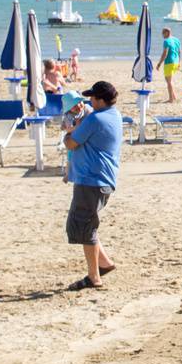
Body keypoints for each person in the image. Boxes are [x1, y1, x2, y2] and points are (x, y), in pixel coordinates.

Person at [61, 81, 122, 290]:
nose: (90, 101)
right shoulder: (115, 115)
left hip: (91, 180)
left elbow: (71, 143)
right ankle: (104, 263)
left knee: (85, 227)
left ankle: (94, 277)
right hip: (102, 178)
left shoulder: (95, 119)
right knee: (85, 224)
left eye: (93, 98)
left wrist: (68, 133)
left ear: (101, 99)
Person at [159, 28, 182, 102]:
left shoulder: (166, 41)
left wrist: (159, 64)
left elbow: (165, 54)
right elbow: (180, 52)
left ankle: (171, 99)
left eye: (163, 33)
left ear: (167, 32)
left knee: (169, 81)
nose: (162, 35)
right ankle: (173, 96)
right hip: (176, 62)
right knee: (169, 80)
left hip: (169, 62)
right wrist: (179, 62)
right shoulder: (177, 40)